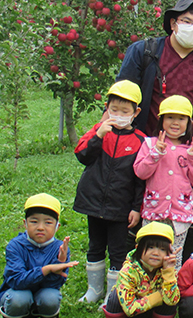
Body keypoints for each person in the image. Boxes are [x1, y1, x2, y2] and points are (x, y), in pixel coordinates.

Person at [116, 0, 193, 262]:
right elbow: (122, 95)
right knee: (140, 208)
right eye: (187, 21)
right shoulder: (145, 52)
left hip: (192, 152)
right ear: (173, 23)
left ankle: (180, 271)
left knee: (187, 213)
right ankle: (134, 270)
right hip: (150, 149)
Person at [73, 80, 147, 303]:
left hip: (120, 207)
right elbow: (82, 155)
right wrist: (98, 136)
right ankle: (93, 290)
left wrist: (136, 208)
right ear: (106, 108)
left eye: (125, 111)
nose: (119, 114)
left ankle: (112, 295)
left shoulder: (140, 140)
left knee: (117, 251)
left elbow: (141, 179)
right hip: (93, 202)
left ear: (136, 112)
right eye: (114, 109)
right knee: (94, 246)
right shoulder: (98, 131)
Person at [133, 95, 193, 268]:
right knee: (149, 253)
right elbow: (140, 172)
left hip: (179, 213)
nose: (175, 123)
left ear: (189, 122)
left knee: (174, 256)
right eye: (170, 118)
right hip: (154, 210)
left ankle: (171, 290)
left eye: (181, 119)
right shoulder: (150, 145)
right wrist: (155, 155)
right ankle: (147, 288)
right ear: (161, 120)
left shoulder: (191, 150)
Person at [0, 193, 78, 318]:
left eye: (48, 223)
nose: (40, 227)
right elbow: (17, 281)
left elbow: (54, 286)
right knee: (20, 299)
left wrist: (60, 262)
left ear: (57, 226)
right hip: (17, 293)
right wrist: (47, 269)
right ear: (25, 223)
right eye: (34, 221)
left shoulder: (60, 248)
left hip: (43, 293)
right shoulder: (15, 246)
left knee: (50, 297)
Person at [103, 223, 180, 318]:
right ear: (137, 248)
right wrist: (159, 296)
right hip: (132, 310)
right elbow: (130, 309)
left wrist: (168, 272)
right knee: (116, 296)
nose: (156, 253)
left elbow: (172, 301)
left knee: (169, 294)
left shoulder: (167, 270)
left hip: (152, 310)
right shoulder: (129, 271)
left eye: (162, 249)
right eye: (150, 247)